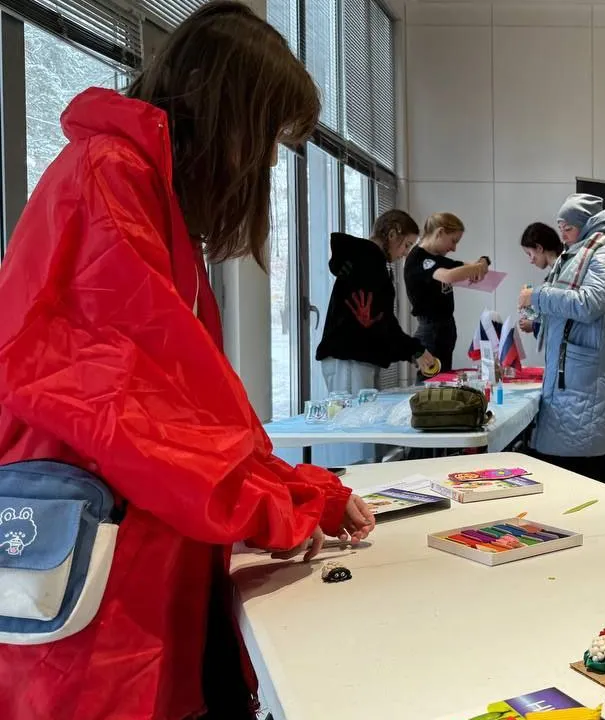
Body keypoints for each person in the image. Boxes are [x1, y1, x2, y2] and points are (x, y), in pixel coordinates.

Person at [0, 4, 375, 719]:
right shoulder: (111, 179)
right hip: (103, 579)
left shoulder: (134, 185)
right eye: (265, 135)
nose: (266, 162)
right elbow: (140, 423)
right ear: (221, 109)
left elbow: (185, 410)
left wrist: (303, 492)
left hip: (132, 558)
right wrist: (288, 503)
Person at [517, 194, 605, 482]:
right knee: (561, 469)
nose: (563, 234)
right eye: (560, 227)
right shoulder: (573, 256)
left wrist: (537, 296)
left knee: (583, 470)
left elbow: (589, 303)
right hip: (572, 373)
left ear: (587, 223)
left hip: (587, 375)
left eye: (567, 227)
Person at [315, 209, 439, 392]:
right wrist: (414, 350)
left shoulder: (368, 259)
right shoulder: (369, 260)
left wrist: (413, 351)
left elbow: (381, 321)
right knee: (355, 411)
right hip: (350, 358)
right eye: (406, 245)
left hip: (352, 358)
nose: (405, 253)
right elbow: (382, 322)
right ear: (392, 234)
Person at [404, 212, 490, 373]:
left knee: (443, 377)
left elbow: (464, 266)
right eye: (453, 241)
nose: (454, 248)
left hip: (444, 327)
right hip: (431, 329)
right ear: (440, 232)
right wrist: (476, 268)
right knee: (430, 380)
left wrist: (483, 261)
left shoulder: (437, 258)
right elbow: (448, 276)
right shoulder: (419, 258)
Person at [517, 221, 563, 336]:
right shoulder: (555, 273)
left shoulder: (564, 273)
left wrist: (535, 325)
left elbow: (562, 316)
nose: (531, 260)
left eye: (529, 254)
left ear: (539, 248)